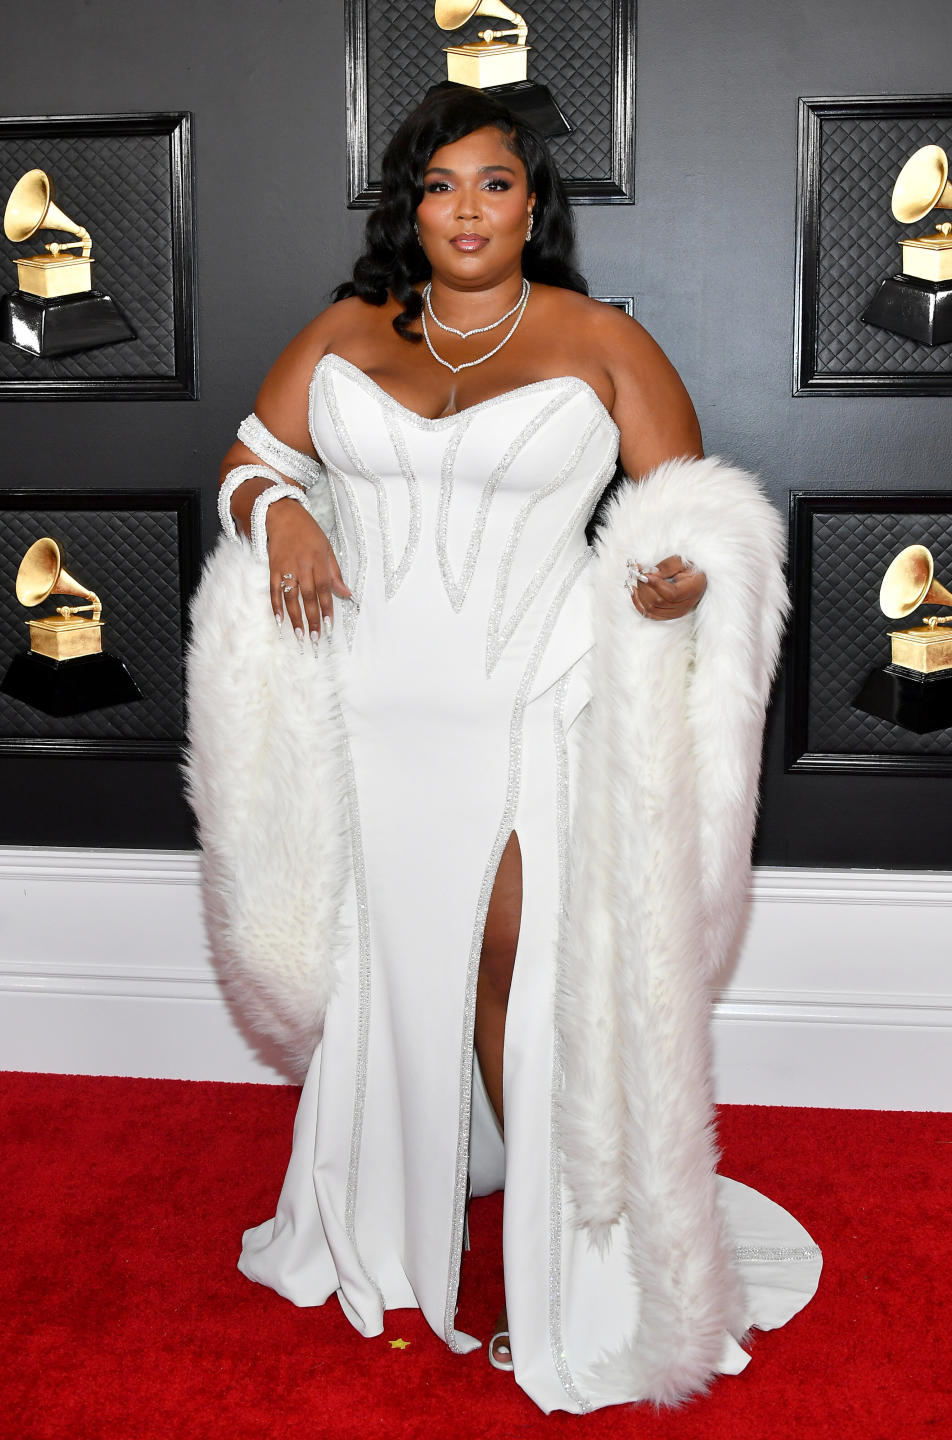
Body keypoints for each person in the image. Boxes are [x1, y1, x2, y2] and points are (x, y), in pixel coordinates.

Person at [186, 87, 821, 1415]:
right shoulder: (350, 328)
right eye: (439, 185)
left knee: (516, 970)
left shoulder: (600, 342)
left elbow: (692, 516)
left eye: (493, 184)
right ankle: (407, 1221)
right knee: (390, 969)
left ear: (536, 204)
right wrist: (281, 519)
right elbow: (251, 460)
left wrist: (675, 585)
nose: (466, 210)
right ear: (405, 205)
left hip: (536, 706)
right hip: (366, 713)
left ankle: (569, 1261)